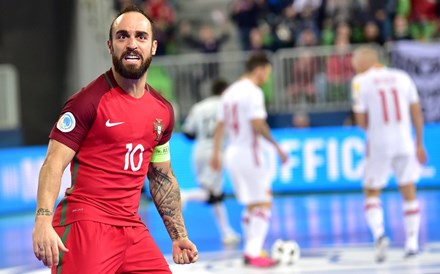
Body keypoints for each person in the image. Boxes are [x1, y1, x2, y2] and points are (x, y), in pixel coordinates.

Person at [32, 5, 198, 273]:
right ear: (110, 45)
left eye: (141, 37)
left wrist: (178, 236)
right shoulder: (86, 102)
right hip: (85, 225)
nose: (132, 44)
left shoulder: (162, 111)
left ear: (153, 46)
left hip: (132, 227)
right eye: (123, 36)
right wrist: (43, 221)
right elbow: (53, 163)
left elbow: (161, 176)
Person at [210, 52, 288, 268]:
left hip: (232, 153)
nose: (267, 78)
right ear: (259, 69)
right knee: (263, 203)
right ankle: (254, 252)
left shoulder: (229, 92)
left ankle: (251, 249)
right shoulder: (253, 92)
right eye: (267, 73)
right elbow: (257, 124)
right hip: (249, 153)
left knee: (251, 205)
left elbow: (220, 126)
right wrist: (277, 147)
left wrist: (216, 153)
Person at [351, 46, 427, 262]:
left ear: (364, 62)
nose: (354, 68)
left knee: (371, 191)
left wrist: (372, 135)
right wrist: (419, 144)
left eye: (355, 64)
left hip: (379, 143)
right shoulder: (402, 77)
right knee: (409, 191)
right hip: (405, 141)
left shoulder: (361, 82)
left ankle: (379, 234)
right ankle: (411, 243)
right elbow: (417, 113)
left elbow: (361, 122)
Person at [181, 79, 241, 246]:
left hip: (198, 152)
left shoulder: (199, 107)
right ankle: (185, 195)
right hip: (216, 152)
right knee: (213, 195)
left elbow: (188, 132)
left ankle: (226, 232)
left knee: (214, 193)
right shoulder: (226, 106)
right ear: (224, 91)